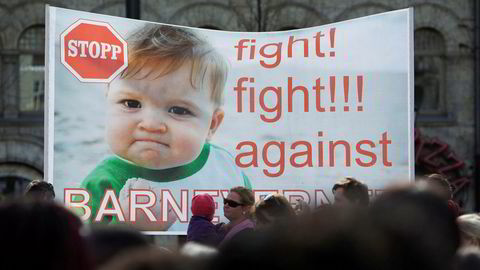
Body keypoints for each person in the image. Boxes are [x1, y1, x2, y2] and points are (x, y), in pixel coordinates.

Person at [79, 25, 251, 230]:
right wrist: (126, 227)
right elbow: (83, 255)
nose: (151, 124)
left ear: (212, 125)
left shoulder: (227, 170)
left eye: (178, 110)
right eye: (132, 104)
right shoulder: (102, 184)